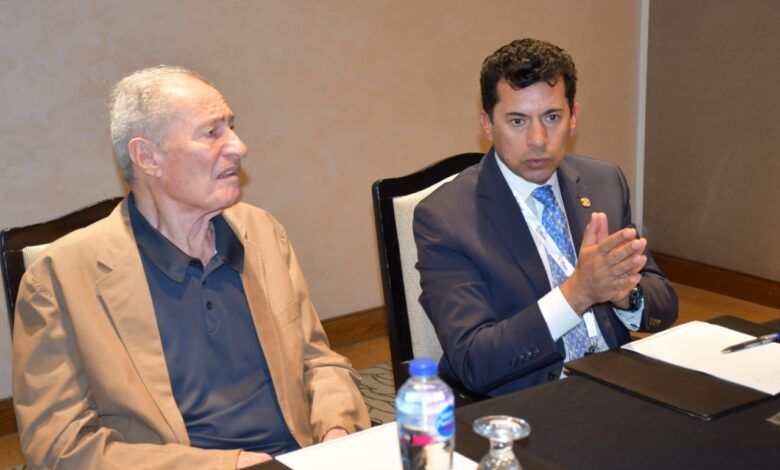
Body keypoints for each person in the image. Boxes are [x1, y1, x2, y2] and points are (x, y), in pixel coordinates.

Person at [13, 66, 370, 469]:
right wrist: (230, 466)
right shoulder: (58, 279)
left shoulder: (262, 233)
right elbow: (60, 446)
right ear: (147, 157)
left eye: (232, 127)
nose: (239, 147)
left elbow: (317, 361)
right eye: (211, 132)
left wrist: (336, 434)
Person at [413, 38, 678, 397]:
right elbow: (474, 361)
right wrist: (577, 293)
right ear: (487, 124)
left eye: (552, 118)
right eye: (517, 121)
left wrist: (625, 294)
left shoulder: (604, 182)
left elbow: (664, 303)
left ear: (574, 118)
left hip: (620, 383)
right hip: (531, 402)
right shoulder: (446, 217)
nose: (538, 139)